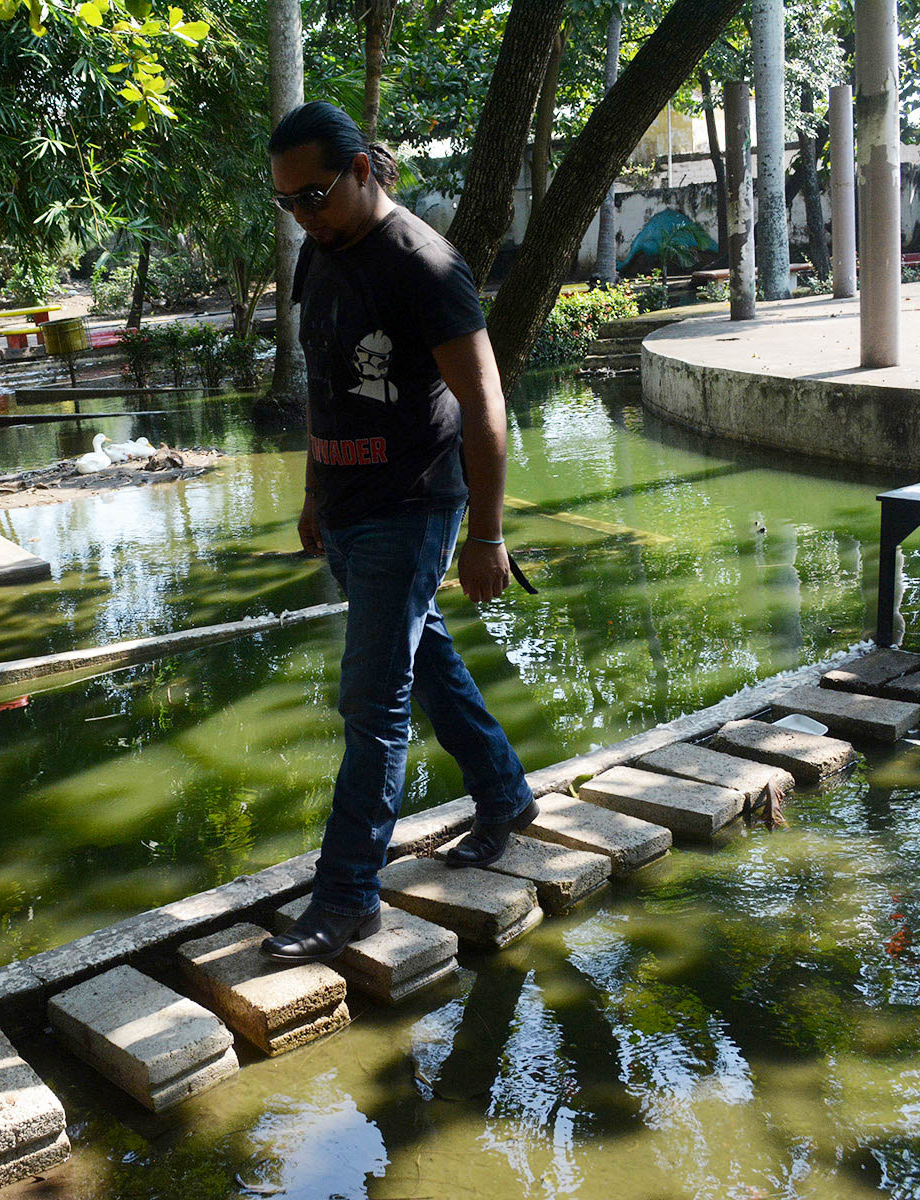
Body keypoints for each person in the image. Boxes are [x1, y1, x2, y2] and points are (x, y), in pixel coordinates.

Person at [261, 102, 537, 966]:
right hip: (344, 507)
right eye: (288, 203)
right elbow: (325, 383)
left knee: (371, 703)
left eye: (315, 194)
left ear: (361, 169)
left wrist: (486, 536)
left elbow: (486, 403)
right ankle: (503, 794)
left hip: (412, 507)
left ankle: (347, 897)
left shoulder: (425, 263)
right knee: (422, 664)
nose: (304, 214)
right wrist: (312, 492)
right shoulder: (320, 252)